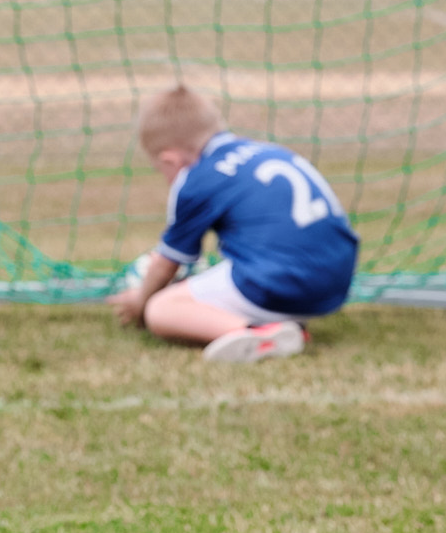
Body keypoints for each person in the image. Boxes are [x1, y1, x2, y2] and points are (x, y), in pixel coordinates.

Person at [108, 85, 359, 362]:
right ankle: (282, 320)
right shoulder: (269, 151)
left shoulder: (197, 180)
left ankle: (256, 332)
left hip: (280, 281)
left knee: (161, 309)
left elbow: (168, 263)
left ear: (171, 159)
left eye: (161, 170)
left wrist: (141, 302)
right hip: (338, 278)